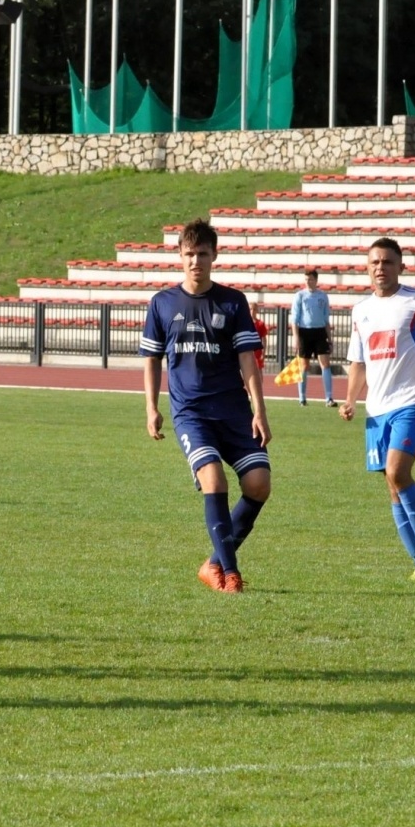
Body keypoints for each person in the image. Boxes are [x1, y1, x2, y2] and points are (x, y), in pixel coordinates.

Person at [141, 219, 273, 594]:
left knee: (259, 485)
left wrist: (259, 411)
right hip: (191, 414)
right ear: (179, 256)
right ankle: (230, 574)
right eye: (189, 254)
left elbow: (248, 360)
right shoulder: (162, 303)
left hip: (234, 412)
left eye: (202, 254)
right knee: (213, 480)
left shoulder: (233, 302)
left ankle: (213, 562)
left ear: (214, 255)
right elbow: (152, 360)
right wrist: (151, 407)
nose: (195, 261)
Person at [340, 237, 415, 582]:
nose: (380, 268)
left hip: (411, 402)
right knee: (391, 483)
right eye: (375, 262)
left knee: (398, 472)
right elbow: (358, 362)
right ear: (367, 268)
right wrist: (350, 399)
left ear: (401, 266)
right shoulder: (361, 310)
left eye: (387, 262)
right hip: (377, 410)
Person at [291, 268, 335, 406]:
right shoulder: (300, 296)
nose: (308, 282)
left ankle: (329, 398)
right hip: (305, 332)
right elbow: (294, 319)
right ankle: (302, 398)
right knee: (304, 366)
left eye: (310, 279)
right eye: (306, 279)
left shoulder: (323, 296)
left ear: (316, 280)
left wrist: (330, 339)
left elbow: (326, 319)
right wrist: (296, 337)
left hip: (320, 332)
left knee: (325, 364)